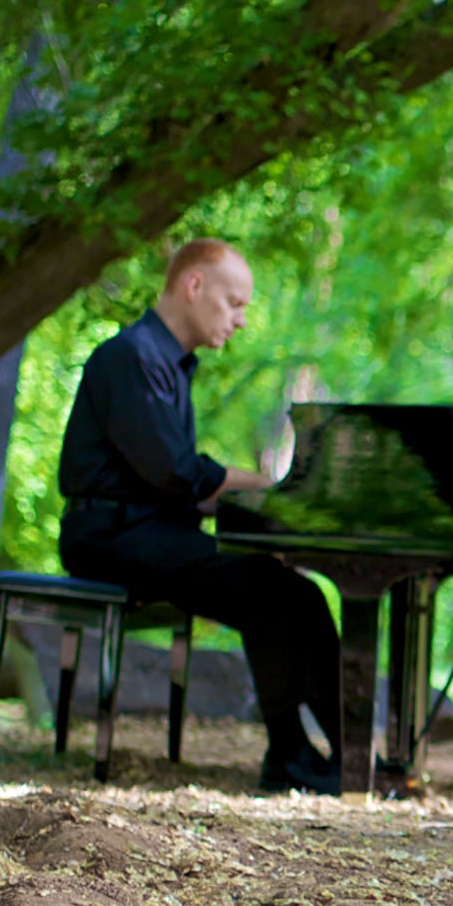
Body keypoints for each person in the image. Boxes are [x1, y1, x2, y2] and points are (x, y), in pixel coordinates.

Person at [56, 238, 343, 794]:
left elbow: (177, 488)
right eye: (234, 303)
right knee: (271, 589)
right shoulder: (133, 357)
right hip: (109, 537)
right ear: (194, 286)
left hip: (147, 531)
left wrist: (268, 514)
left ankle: (344, 754)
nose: (239, 320)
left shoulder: (167, 364)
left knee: (296, 593)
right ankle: (291, 756)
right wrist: (267, 488)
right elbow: (176, 475)